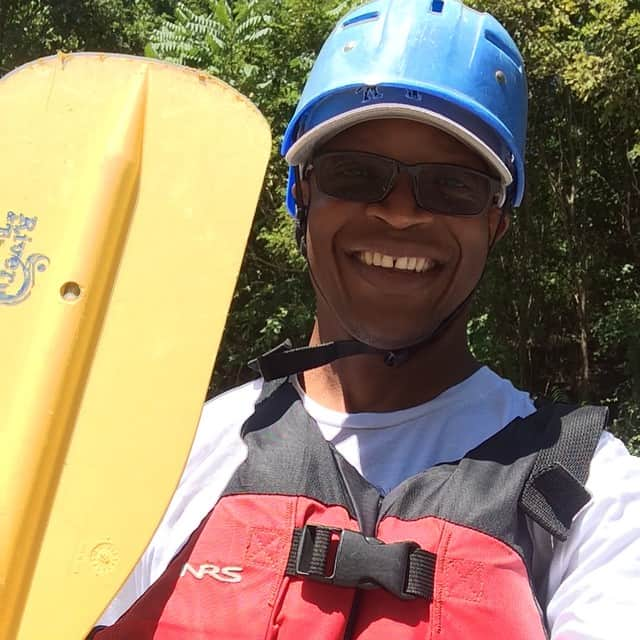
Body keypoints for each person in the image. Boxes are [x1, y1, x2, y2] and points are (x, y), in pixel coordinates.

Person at [91, 0, 640, 637]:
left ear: (496, 221)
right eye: (356, 174)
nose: (401, 213)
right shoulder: (172, 462)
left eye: (451, 185)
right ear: (302, 198)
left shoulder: (588, 489)